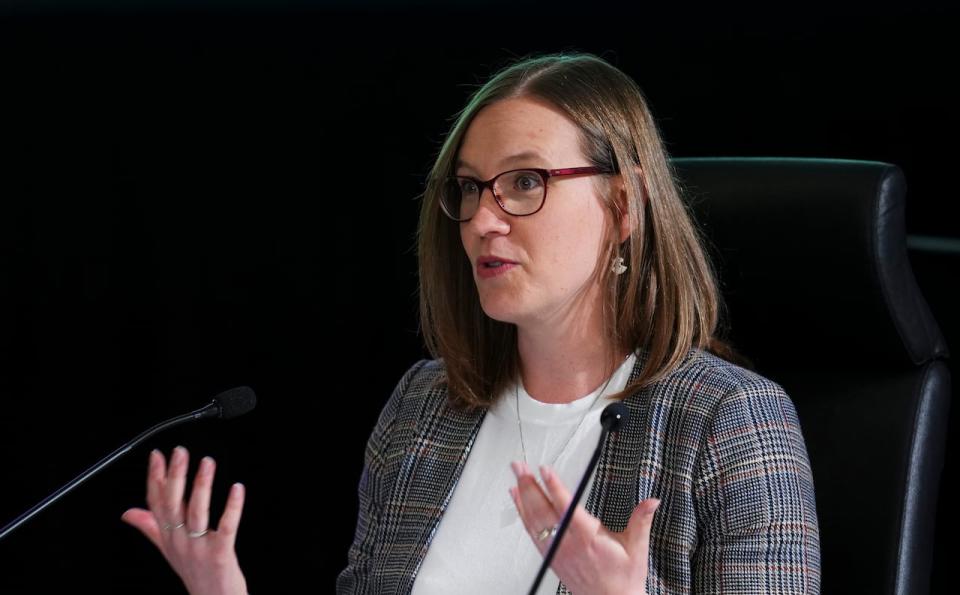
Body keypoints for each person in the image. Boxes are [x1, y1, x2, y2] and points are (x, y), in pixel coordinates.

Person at [123, 52, 821, 594]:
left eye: (525, 182)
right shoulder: (425, 408)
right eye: (469, 187)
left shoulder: (731, 419)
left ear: (625, 204)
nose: (483, 219)